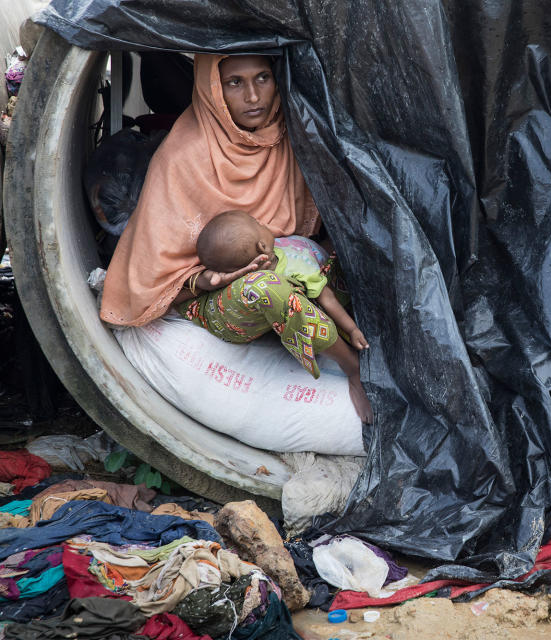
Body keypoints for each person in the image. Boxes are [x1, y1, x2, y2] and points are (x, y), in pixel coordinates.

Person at [100, 53, 373, 423]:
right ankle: (352, 368)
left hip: (292, 269)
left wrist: (321, 255)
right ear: (212, 89)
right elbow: (150, 279)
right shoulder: (183, 158)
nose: (253, 96)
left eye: (262, 78)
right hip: (222, 297)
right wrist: (206, 281)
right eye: (234, 83)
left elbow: (331, 224)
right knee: (266, 288)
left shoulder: (292, 138)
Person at [189, 210, 369, 388]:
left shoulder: (244, 274)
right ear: (262, 247)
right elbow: (327, 297)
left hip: (317, 260)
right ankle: (350, 365)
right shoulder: (297, 267)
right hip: (327, 281)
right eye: (258, 224)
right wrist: (352, 329)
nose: (263, 223)